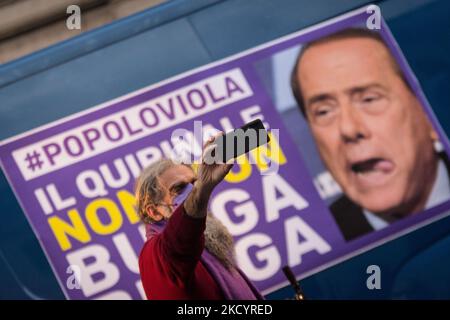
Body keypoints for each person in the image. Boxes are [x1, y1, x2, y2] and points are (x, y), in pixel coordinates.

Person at [290, 28, 450, 241]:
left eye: (369, 99)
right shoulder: (319, 249)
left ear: (426, 110)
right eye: (324, 111)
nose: (348, 129)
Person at [136, 134, 264, 299]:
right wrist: (202, 188)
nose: (192, 190)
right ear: (154, 211)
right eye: (179, 188)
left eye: (194, 183)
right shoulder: (154, 255)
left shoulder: (205, 247)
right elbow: (180, 239)